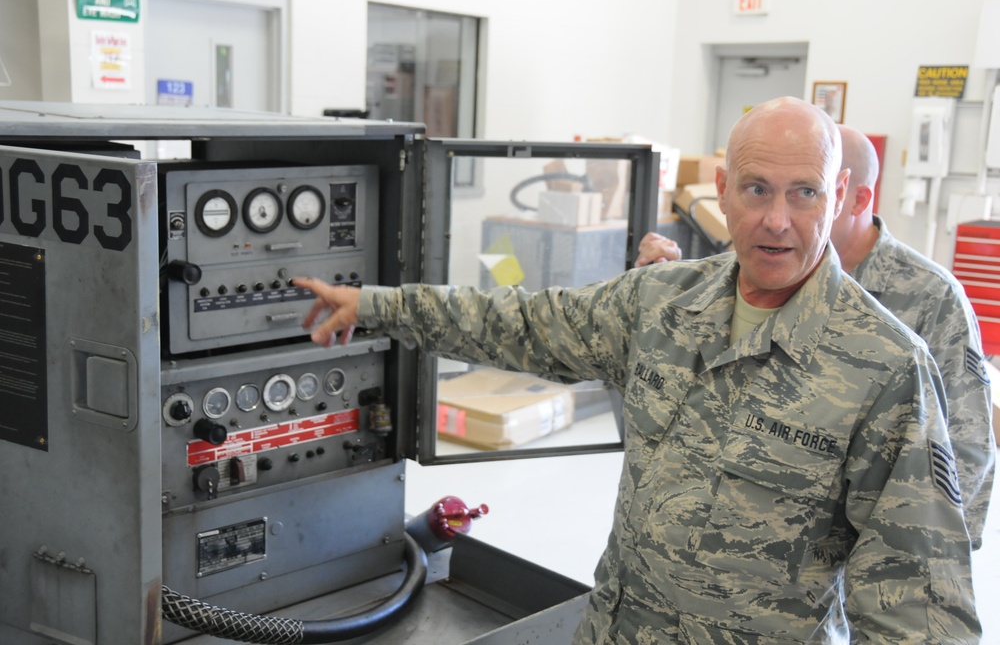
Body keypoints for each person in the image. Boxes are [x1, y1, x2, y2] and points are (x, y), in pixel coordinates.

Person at [294, 97, 980, 642]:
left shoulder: (884, 365)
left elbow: (917, 607)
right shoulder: (663, 302)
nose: (777, 220)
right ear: (722, 190)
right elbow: (519, 321)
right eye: (756, 189)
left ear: (841, 196)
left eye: (804, 193)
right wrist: (375, 303)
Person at [637, 124, 996, 550]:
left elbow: (965, 449)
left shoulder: (930, 296)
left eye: (807, 192)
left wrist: (911, 561)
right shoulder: (770, 266)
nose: (780, 220)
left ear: (852, 196)